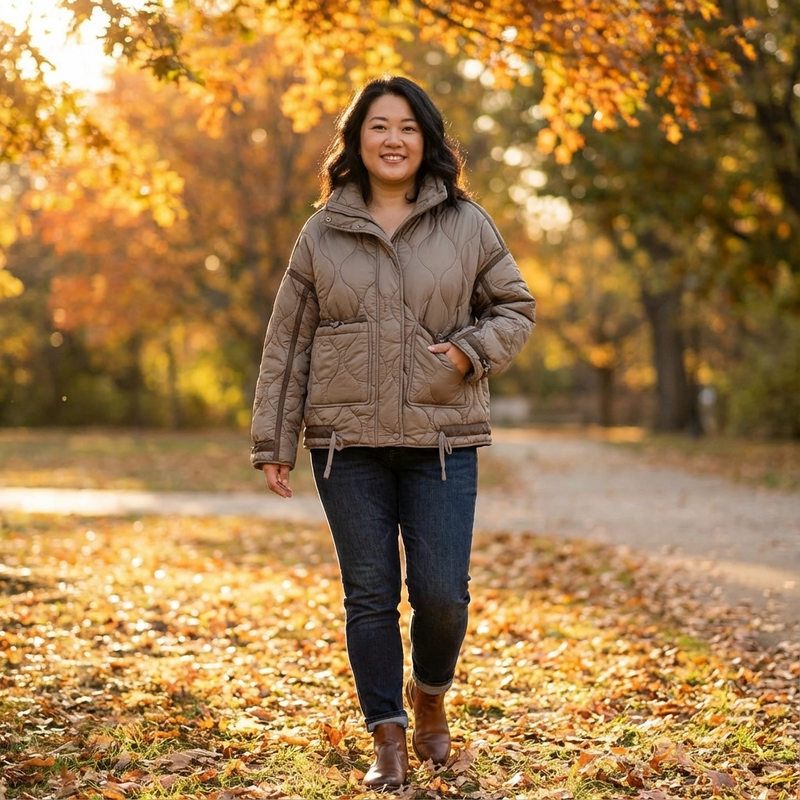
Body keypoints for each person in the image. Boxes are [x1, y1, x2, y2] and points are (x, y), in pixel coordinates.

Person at [251, 76, 535, 789]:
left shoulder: (467, 224)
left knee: (443, 594)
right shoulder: (322, 230)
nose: (393, 139)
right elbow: (289, 341)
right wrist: (273, 441)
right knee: (370, 594)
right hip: (345, 446)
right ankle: (388, 739)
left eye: (407, 127)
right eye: (379, 126)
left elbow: (516, 308)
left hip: (442, 440)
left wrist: (472, 351)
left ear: (428, 139)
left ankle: (429, 695)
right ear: (357, 140)